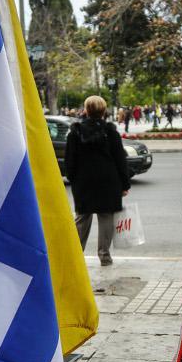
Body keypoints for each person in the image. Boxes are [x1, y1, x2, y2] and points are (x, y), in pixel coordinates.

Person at [65, 95, 131, 266]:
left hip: (83, 182)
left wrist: (74, 179)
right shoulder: (111, 132)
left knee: (82, 217)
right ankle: (104, 256)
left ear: (86, 110)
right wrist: (124, 184)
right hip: (108, 181)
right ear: (103, 111)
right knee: (106, 217)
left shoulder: (75, 133)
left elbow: (69, 161)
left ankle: (75, 255)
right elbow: (120, 160)